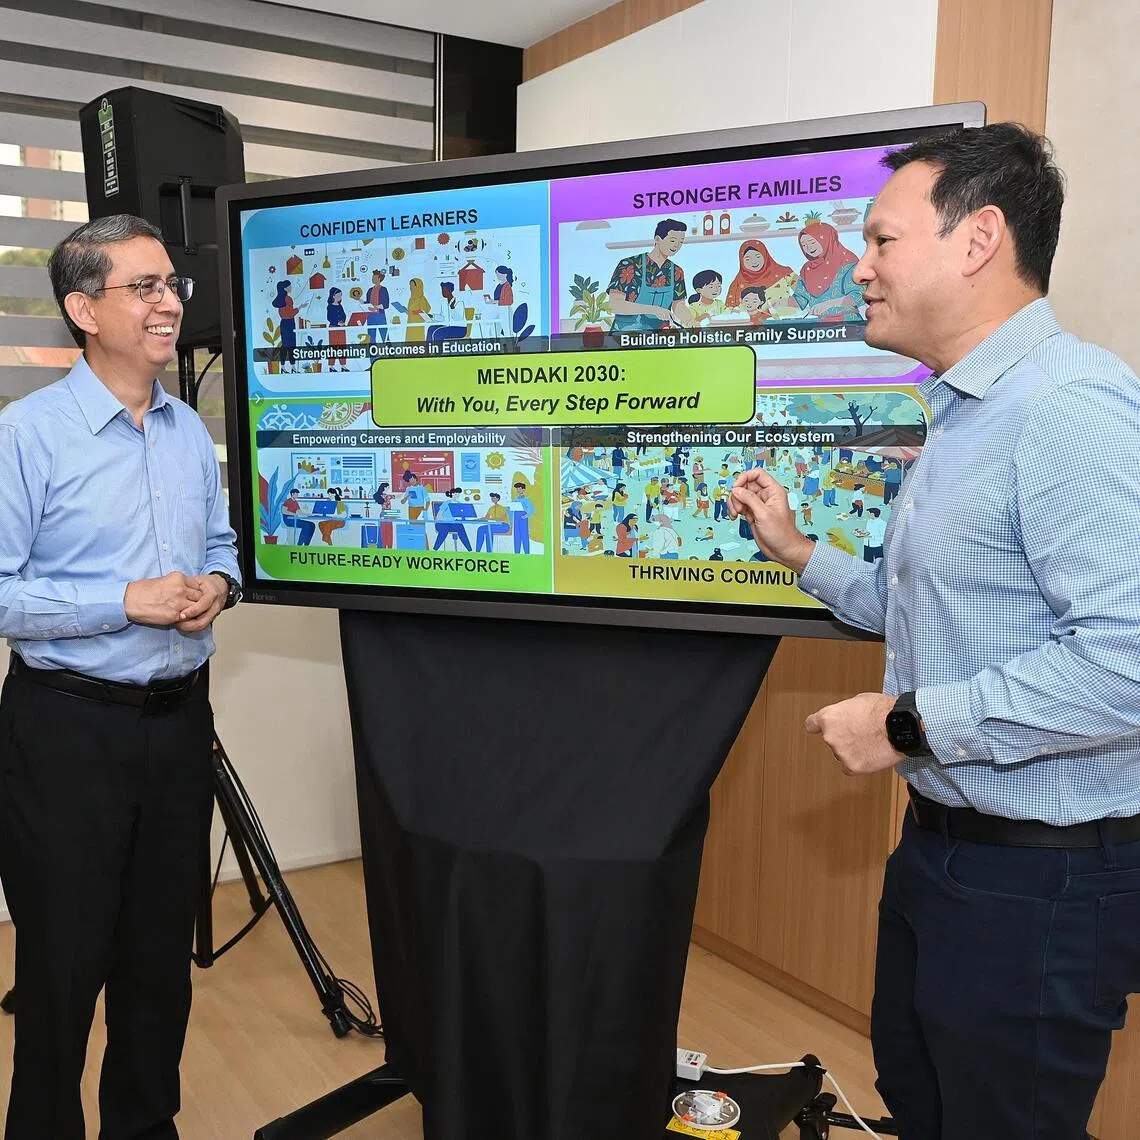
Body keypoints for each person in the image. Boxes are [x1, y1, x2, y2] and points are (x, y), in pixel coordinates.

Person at [728, 124, 1140, 1140]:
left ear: (978, 239)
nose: (857, 270)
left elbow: (1126, 669)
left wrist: (906, 727)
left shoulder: (1070, 409)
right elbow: (927, 610)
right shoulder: (964, 415)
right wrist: (796, 551)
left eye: (879, 241)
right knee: (925, 1102)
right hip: (943, 857)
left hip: (1040, 881)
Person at [0, 214, 241, 1139]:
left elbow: (221, 545)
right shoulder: (28, 436)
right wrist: (124, 601)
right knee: (61, 972)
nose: (169, 301)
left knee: (157, 967)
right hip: (67, 733)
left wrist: (218, 584)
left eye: (171, 283)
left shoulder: (186, 431)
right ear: (82, 308)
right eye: (143, 287)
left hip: (180, 727)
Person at [607, 218, 690, 332]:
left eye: (681, 242)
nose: (676, 246)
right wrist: (654, 310)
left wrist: (689, 320)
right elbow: (614, 304)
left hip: (659, 336)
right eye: (672, 240)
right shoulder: (629, 265)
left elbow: (678, 305)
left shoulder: (677, 271)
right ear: (657, 239)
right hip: (625, 336)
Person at [792, 221, 863, 320]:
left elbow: (858, 296)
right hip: (817, 329)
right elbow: (801, 299)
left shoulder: (847, 262)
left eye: (812, 242)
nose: (808, 248)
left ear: (826, 239)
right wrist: (779, 302)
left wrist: (829, 304)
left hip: (846, 324)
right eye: (803, 245)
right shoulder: (806, 269)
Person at [724, 239, 793, 308]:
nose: (754, 262)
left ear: (765, 255)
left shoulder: (785, 272)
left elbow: (803, 295)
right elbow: (729, 310)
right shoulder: (737, 284)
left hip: (785, 317)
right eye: (748, 259)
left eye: (757, 256)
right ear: (742, 261)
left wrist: (786, 302)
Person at [273, 279, 298, 371]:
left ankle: (283, 366)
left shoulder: (280, 299)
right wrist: (299, 308)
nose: (291, 288)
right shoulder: (288, 299)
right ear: (285, 288)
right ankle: (292, 366)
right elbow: (290, 313)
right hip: (289, 323)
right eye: (289, 286)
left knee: (285, 345)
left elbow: (285, 313)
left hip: (284, 323)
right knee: (291, 345)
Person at [364, 268, 389, 344]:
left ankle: (390, 354)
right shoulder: (369, 290)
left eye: (374, 277)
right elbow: (367, 303)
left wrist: (376, 307)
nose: (373, 279)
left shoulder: (383, 289)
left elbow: (386, 304)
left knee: (385, 335)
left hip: (380, 315)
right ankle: (373, 356)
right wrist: (359, 300)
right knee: (371, 337)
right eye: (372, 277)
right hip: (370, 316)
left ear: (379, 279)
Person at [510, 482, 536, 554]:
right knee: (516, 536)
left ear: (524, 489)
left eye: (520, 488)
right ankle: (517, 553)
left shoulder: (526, 500)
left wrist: (526, 516)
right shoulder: (515, 499)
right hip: (516, 518)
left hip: (522, 519)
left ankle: (527, 553)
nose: (518, 490)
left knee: (524, 536)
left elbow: (532, 510)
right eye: (517, 489)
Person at [326, 286, 348, 371]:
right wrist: (337, 323)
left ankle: (343, 365)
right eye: (338, 295)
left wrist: (342, 322)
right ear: (333, 296)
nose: (340, 297)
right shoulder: (330, 306)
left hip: (341, 329)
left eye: (341, 295)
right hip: (333, 328)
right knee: (333, 347)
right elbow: (330, 317)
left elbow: (344, 315)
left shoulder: (340, 306)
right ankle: (331, 366)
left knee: (342, 346)